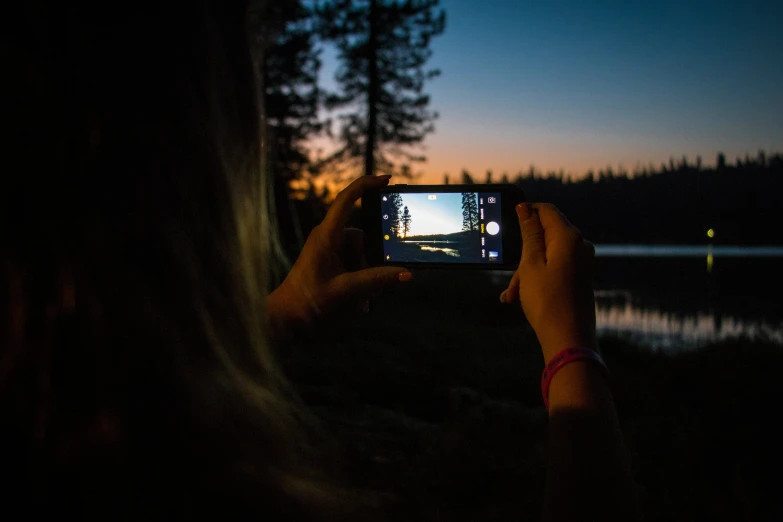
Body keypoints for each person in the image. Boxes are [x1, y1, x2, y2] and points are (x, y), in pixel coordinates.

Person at [2, 0, 638, 520]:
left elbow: (139, 380)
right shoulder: (205, 484)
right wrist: (572, 351)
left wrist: (287, 310)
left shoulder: (55, 421)